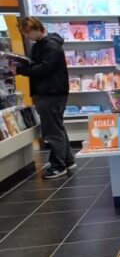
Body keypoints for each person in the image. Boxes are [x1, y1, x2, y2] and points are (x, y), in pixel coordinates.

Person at [11, 17, 75, 178]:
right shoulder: (43, 45)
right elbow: (39, 65)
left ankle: (57, 166)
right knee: (57, 127)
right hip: (48, 91)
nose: (28, 37)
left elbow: (44, 68)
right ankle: (67, 160)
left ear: (36, 29)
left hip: (51, 92)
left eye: (28, 33)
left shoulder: (51, 46)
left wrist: (20, 71)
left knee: (52, 130)